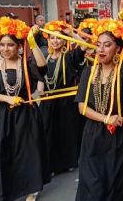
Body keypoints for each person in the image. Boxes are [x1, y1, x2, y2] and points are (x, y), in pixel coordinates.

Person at [75, 0, 123, 200]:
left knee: (121, 187)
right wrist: (105, 118)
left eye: (107, 45)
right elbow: (82, 107)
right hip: (94, 137)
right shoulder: (89, 72)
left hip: (122, 138)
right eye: (98, 45)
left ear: (117, 48)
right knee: (93, 186)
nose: (101, 49)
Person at [0, 16, 50, 201]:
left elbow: (42, 67)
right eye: (2, 45)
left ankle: (31, 190)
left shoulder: (26, 65)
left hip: (27, 115)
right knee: (2, 152)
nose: (5, 49)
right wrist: (8, 98)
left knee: (29, 152)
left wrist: (32, 42)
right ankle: (4, 188)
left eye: (10, 45)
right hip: (4, 117)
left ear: (19, 46)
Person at [37, 20, 87, 176]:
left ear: (64, 40)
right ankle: (51, 165)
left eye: (59, 38)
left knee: (67, 131)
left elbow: (84, 46)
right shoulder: (44, 58)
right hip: (48, 102)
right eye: (52, 38)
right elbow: (40, 77)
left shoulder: (69, 57)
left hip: (66, 102)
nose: (55, 41)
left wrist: (71, 33)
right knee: (49, 133)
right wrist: (40, 89)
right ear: (48, 40)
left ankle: (69, 161)